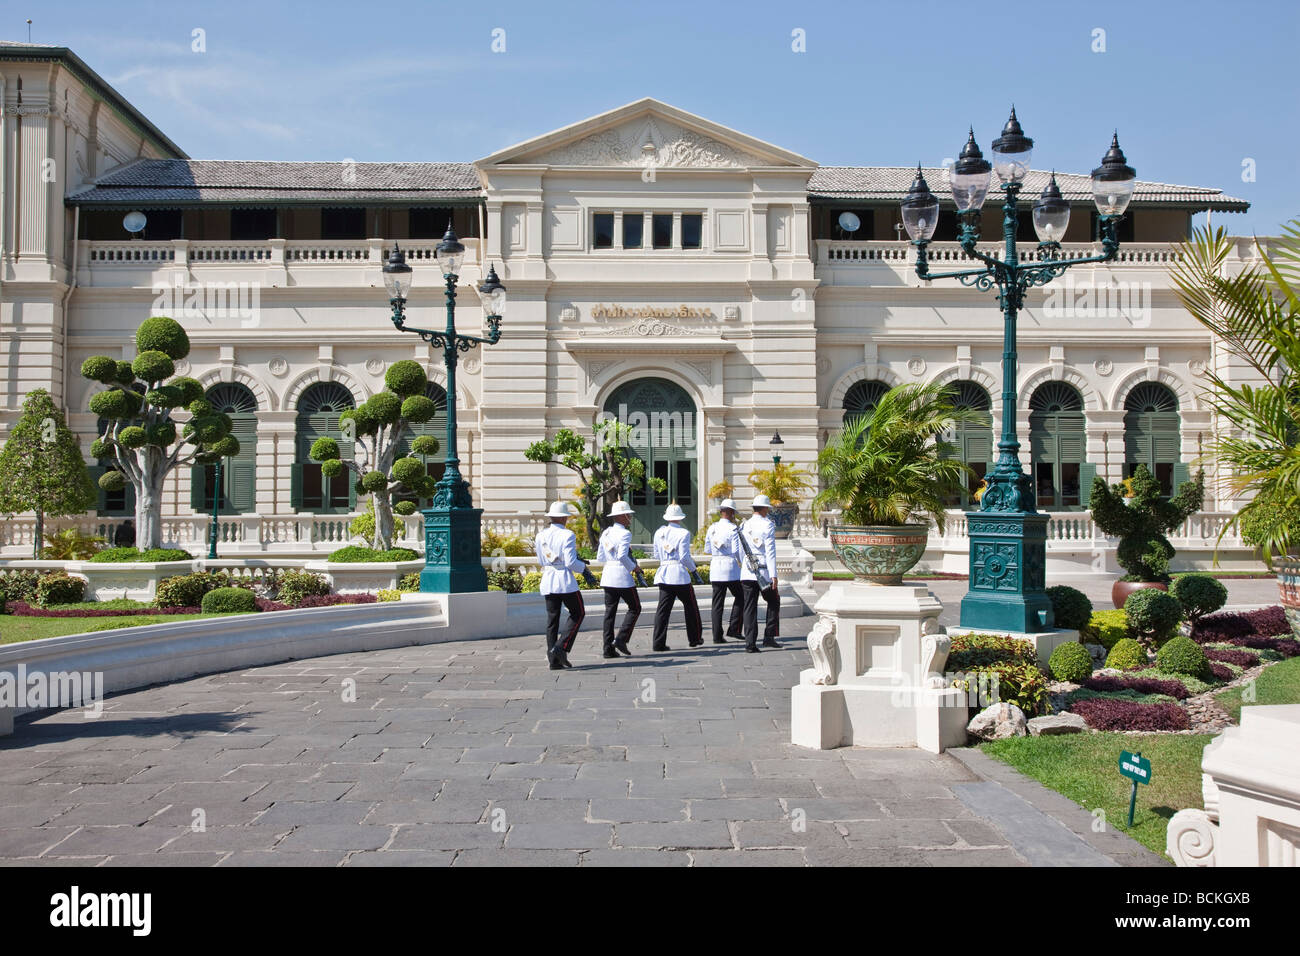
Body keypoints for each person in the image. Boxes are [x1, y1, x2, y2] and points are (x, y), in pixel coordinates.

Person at [534, 501, 591, 670]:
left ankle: (553, 660)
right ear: (565, 518)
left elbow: (540, 560)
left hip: (549, 577)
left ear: (551, 517)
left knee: (552, 619)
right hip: (564, 580)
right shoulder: (567, 535)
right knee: (578, 612)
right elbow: (570, 561)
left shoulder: (540, 535)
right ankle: (561, 646)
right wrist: (584, 570)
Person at [650, 502, 703, 650]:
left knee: (663, 610)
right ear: (680, 518)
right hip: (679, 574)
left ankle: (658, 642)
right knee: (691, 607)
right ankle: (695, 638)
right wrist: (694, 570)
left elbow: (655, 554)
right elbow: (685, 557)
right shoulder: (683, 533)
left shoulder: (658, 533)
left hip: (664, 573)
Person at [597, 500, 642, 658]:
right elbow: (622, 556)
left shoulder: (606, 533)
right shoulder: (625, 533)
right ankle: (621, 639)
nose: (630, 517)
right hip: (621, 576)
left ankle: (607, 648)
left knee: (610, 613)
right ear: (622, 516)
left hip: (608, 574)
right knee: (635, 607)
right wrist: (634, 568)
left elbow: (600, 556)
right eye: (628, 515)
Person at [739, 494, 780, 653]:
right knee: (774, 601)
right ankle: (769, 636)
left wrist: (744, 565)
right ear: (764, 508)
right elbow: (770, 552)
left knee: (749, 607)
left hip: (748, 571)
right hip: (763, 571)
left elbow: (740, 551)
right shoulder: (768, 525)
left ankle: (750, 643)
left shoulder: (744, 525)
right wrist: (773, 574)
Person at [704, 499, 744, 644]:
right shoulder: (734, 529)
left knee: (717, 604)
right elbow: (737, 551)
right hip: (730, 568)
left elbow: (707, 549)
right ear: (732, 513)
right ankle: (734, 627)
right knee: (741, 597)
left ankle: (717, 635)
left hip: (716, 567)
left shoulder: (712, 528)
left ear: (721, 512)